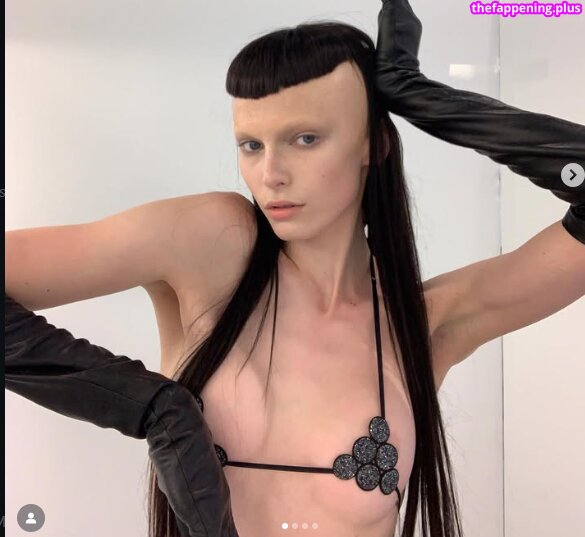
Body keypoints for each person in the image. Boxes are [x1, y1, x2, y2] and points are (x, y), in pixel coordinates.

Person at [5, 1, 585, 537]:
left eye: (305, 138)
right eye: (251, 145)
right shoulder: (214, 246)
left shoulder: (423, 324)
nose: (271, 174)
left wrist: (421, 98)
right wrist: (150, 405)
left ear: (373, 143)